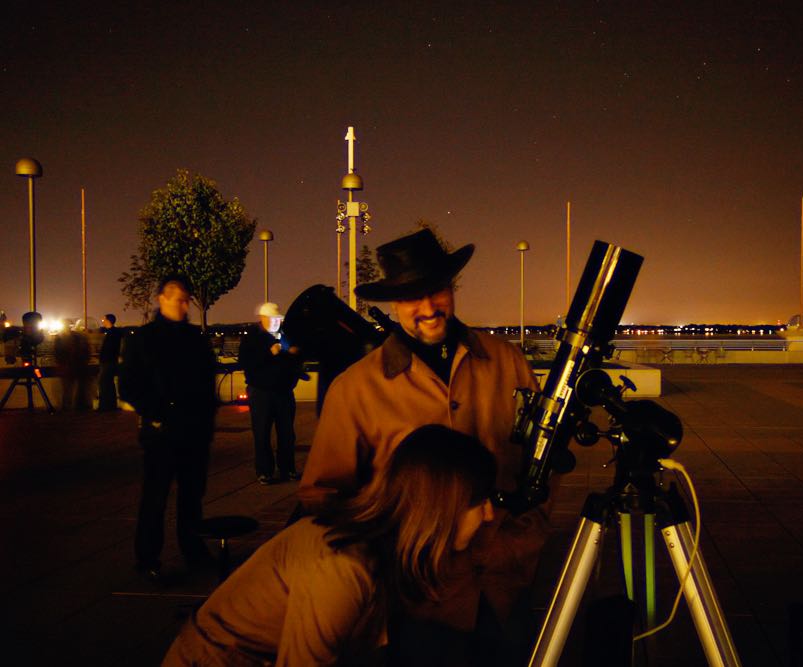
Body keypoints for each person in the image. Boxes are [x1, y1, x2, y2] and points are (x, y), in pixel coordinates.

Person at [299, 228, 546, 666]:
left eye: (437, 291)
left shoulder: (508, 361)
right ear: (394, 304)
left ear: (452, 288)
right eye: (413, 297)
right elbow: (323, 495)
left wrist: (525, 537)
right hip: (419, 602)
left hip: (505, 585)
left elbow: (543, 460)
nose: (429, 308)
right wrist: (390, 559)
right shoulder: (355, 388)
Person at [163, 425, 497, 666]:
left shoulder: (380, 551)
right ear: (440, 506)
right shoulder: (341, 566)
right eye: (479, 501)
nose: (489, 514)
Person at [119, 275, 218, 579]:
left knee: (192, 496)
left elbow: (207, 384)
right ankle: (148, 557)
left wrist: (206, 421)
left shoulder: (195, 338)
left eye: (187, 300)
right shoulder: (143, 339)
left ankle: (192, 549)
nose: (184, 306)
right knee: (156, 496)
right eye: (179, 300)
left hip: (193, 430)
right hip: (162, 432)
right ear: (162, 299)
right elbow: (129, 386)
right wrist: (157, 414)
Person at [238, 302, 304, 484]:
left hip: (284, 392)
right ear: (263, 319)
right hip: (261, 393)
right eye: (272, 318)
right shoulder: (253, 338)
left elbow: (294, 360)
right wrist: (268, 353)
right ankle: (264, 471)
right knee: (262, 433)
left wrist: (294, 355)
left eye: (278, 319)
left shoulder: (285, 336)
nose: (276, 322)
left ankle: (287, 468)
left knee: (287, 434)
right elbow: (245, 361)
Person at [53, 319, 92, 410]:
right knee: (78, 387)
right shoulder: (78, 337)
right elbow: (85, 350)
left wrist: (61, 362)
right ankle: (79, 405)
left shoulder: (59, 338)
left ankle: (66, 406)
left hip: (67, 365)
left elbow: (57, 352)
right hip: (77, 365)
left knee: (67, 388)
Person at [97, 313, 122, 411]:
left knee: (104, 384)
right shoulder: (115, 332)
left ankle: (104, 406)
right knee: (110, 384)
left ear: (108, 321)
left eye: (104, 320)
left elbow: (108, 349)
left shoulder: (111, 333)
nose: (102, 321)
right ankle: (111, 405)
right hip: (111, 361)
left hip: (107, 362)